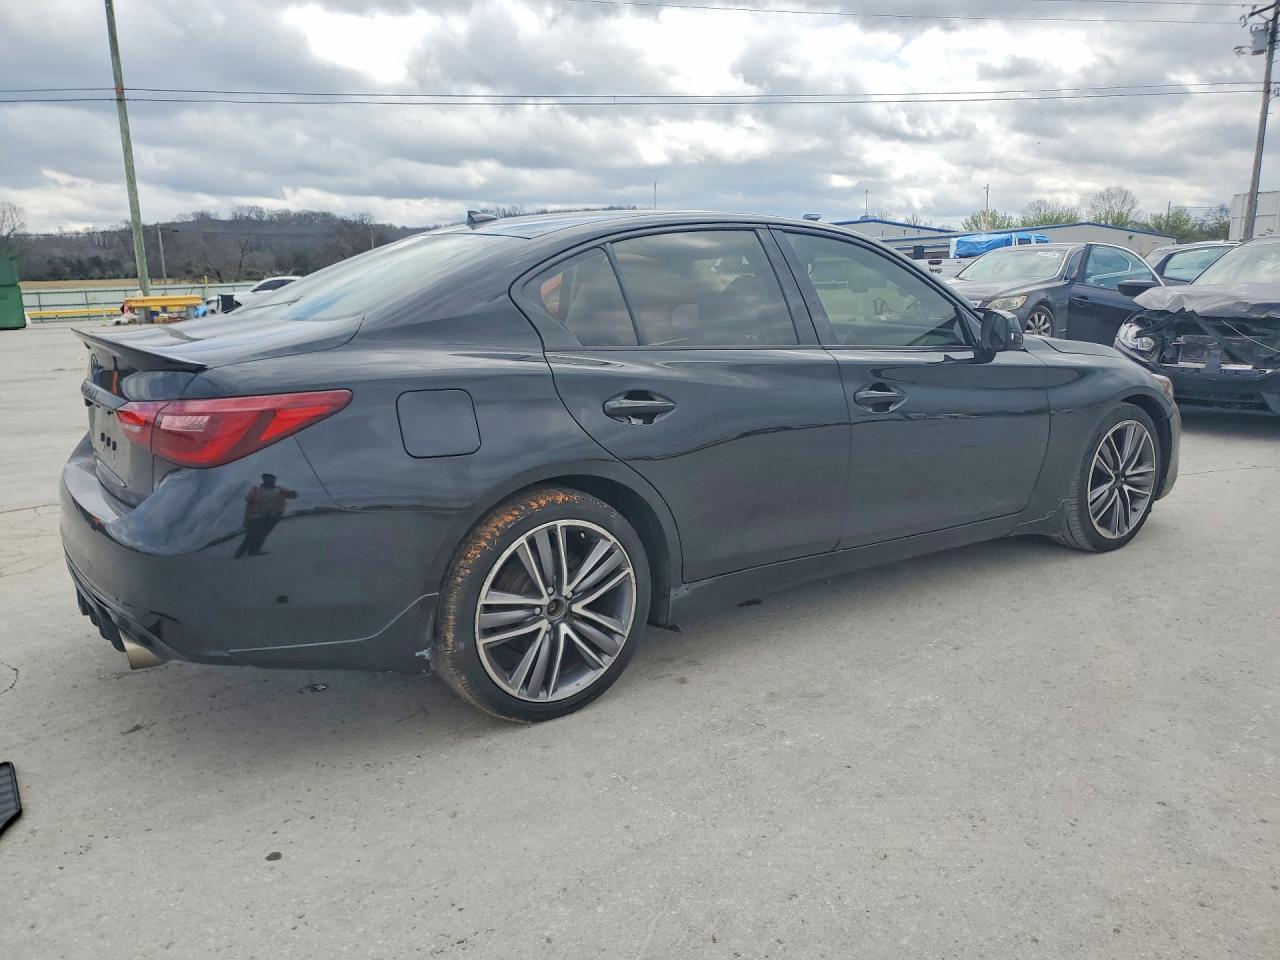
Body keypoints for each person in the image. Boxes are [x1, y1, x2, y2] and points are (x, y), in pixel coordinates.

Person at [234, 474, 297, 558]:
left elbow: (292, 496)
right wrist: (248, 517)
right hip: (257, 516)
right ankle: (239, 553)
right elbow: (249, 503)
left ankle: (254, 550)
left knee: (263, 534)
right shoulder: (256, 489)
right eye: (269, 479)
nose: (271, 481)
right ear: (264, 479)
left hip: (273, 516)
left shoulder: (280, 489)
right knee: (251, 534)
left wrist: (292, 493)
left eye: (273, 479)